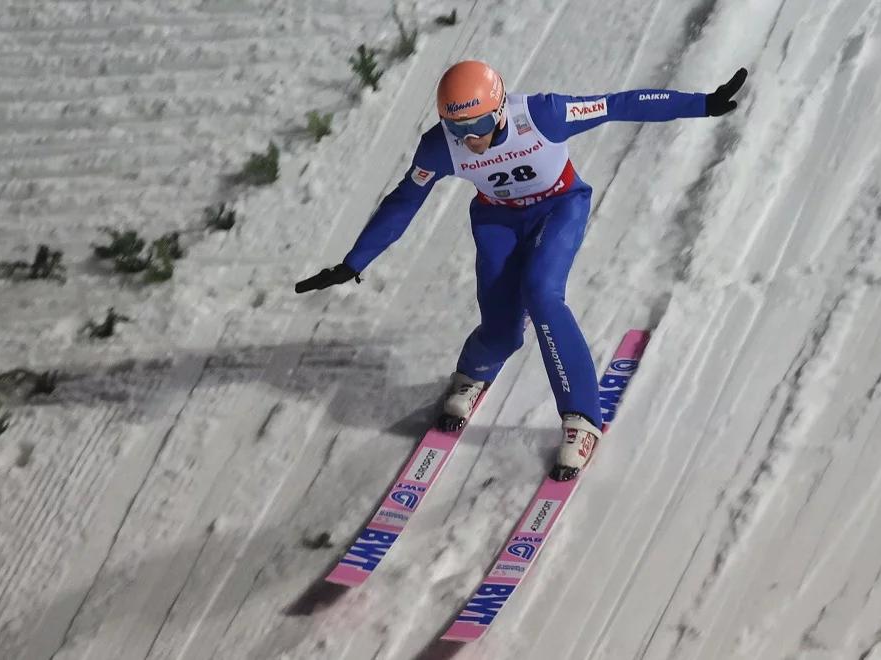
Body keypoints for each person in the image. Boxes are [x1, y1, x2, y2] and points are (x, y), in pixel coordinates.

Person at [296, 60, 747, 480]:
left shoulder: (543, 115)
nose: (468, 138)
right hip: (497, 219)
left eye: (475, 125)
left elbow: (618, 104)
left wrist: (702, 103)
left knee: (542, 293)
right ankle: (474, 373)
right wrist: (354, 261)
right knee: (501, 326)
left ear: (498, 110)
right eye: (456, 127)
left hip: (559, 206)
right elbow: (404, 201)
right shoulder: (440, 146)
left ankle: (582, 418)